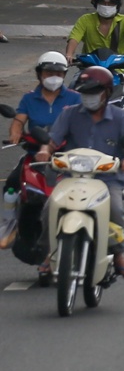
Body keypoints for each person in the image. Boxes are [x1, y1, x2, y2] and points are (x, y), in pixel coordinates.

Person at [43, 66, 124, 280]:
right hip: (72, 177)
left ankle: (119, 256)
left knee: (115, 210)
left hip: (107, 180)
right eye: (85, 92)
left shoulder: (120, 118)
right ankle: (49, 254)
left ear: (107, 92)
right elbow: (53, 140)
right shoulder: (69, 114)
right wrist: (44, 151)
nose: (89, 97)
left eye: (94, 92)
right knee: (50, 207)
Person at [3, 52, 80, 251]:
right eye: (48, 73)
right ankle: (9, 224)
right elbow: (18, 120)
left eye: (58, 73)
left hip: (68, 155)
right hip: (35, 154)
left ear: (64, 75)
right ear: (39, 74)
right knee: (11, 185)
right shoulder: (29, 98)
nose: (53, 77)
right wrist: (15, 134)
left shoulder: (75, 98)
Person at [66, 0, 124, 117]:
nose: (106, 6)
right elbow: (74, 38)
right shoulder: (85, 20)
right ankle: (67, 123)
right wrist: (68, 55)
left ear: (117, 5)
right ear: (96, 3)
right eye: (103, 2)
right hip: (88, 70)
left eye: (111, 3)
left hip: (115, 71)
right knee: (72, 87)